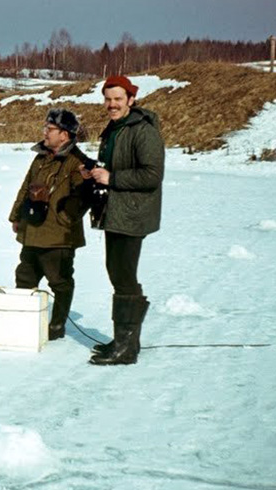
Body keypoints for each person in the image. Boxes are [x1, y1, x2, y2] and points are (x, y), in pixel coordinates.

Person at [83, 75, 165, 365]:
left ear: (131, 99)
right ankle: (124, 340)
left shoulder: (143, 131)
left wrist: (112, 178)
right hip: (114, 212)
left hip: (132, 214)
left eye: (117, 99)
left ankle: (126, 348)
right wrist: (95, 171)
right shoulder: (114, 129)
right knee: (117, 272)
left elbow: (152, 175)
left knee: (124, 275)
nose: (112, 104)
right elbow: (112, 164)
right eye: (107, 99)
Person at [9, 108, 90, 341]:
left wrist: (65, 220)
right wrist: (16, 216)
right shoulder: (41, 157)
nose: (45, 132)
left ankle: (56, 325)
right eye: (46, 127)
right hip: (32, 229)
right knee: (25, 277)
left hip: (59, 236)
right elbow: (26, 187)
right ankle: (24, 321)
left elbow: (83, 198)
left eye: (50, 128)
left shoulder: (78, 162)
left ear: (64, 135)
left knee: (60, 281)